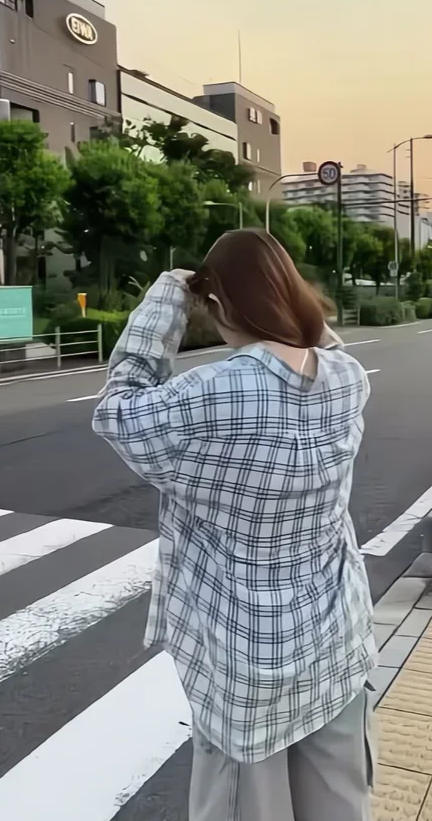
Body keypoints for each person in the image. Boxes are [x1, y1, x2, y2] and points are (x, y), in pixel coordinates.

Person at [92, 228, 377, 821]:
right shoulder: (347, 380)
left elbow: (118, 411)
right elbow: (327, 344)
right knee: (340, 807)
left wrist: (165, 302)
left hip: (244, 668)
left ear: (217, 306)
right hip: (336, 643)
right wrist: (297, 308)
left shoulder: (211, 393)